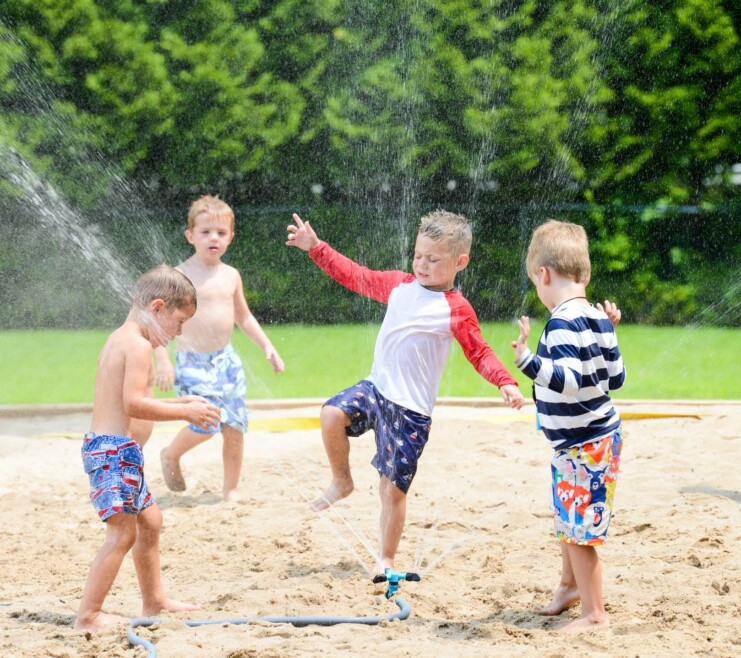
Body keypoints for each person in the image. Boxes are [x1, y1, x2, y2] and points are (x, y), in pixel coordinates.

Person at [286, 210, 524, 574]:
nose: (422, 265)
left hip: (411, 412)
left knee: (391, 491)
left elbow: (480, 352)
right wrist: (316, 247)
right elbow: (356, 276)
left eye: (433, 259)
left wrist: (505, 381)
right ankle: (342, 480)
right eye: (418, 256)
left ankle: (386, 558)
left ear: (460, 262)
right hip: (376, 389)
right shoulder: (399, 286)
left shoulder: (456, 310)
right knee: (331, 413)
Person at [75, 265, 221, 631]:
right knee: (123, 533)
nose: (180, 331)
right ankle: (88, 615)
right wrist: (184, 411)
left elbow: (134, 398)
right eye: (179, 321)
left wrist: (180, 402)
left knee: (150, 521)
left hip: (120, 453)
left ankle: (154, 600)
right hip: (113, 453)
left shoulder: (121, 339)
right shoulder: (138, 346)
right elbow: (133, 405)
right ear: (157, 307)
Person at [511, 219, 626, 632]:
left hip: (585, 444)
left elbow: (570, 380)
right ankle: (568, 587)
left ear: (544, 275)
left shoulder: (561, 323)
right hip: (589, 441)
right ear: (586, 273)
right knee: (568, 519)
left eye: (536, 282)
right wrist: (608, 335)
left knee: (579, 532)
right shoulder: (597, 319)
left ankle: (594, 615)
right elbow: (616, 380)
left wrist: (528, 361)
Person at [157, 195, 284, 501]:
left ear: (230, 237)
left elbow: (244, 316)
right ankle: (171, 455)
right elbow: (157, 322)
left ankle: (231, 488)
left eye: (221, 232)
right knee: (205, 424)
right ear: (190, 236)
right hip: (190, 361)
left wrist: (267, 345)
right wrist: (162, 360)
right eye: (205, 232)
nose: (213, 238)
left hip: (226, 361)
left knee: (235, 424)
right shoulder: (178, 276)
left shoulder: (231, 276)